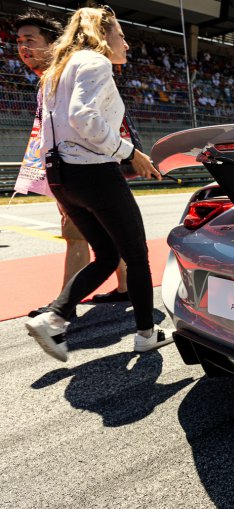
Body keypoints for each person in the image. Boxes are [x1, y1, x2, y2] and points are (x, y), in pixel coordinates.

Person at [26, 6, 172, 362]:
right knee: (136, 255)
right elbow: (84, 117)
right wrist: (130, 153)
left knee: (107, 255)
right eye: (121, 35)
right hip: (94, 173)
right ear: (103, 34)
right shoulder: (95, 62)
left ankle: (54, 317)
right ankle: (146, 334)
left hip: (61, 176)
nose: (126, 44)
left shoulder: (56, 70)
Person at [14, 11, 129, 319]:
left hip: (85, 168)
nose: (23, 47)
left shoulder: (68, 70)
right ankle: (126, 288)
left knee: (77, 234)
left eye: (30, 40)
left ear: (54, 43)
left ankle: (63, 306)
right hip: (87, 165)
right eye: (19, 41)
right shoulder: (60, 72)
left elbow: (84, 119)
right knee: (110, 232)